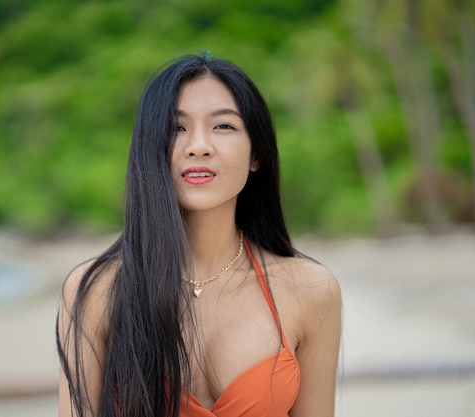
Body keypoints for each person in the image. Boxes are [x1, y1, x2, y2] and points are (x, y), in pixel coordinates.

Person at [57, 53, 342, 417]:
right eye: (177, 128)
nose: (199, 146)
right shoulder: (96, 290)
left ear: (257, 154)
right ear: (150, 149)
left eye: (223, 126)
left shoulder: (311, 291)